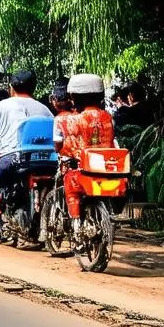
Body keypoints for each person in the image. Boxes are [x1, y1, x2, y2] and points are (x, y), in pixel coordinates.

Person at [56, 73, 116, 239]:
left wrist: (63, 152)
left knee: (70, 186)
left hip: (83, 173)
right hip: (107, 170)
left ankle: (75, 224)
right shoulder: (108, 117)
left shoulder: (72, 120)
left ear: (74, 98)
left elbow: (65, 146)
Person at [0, 70, 52, 205]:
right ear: (34, 88)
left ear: (11, 87)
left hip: (12, 158)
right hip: (45, 159)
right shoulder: (45, 109)